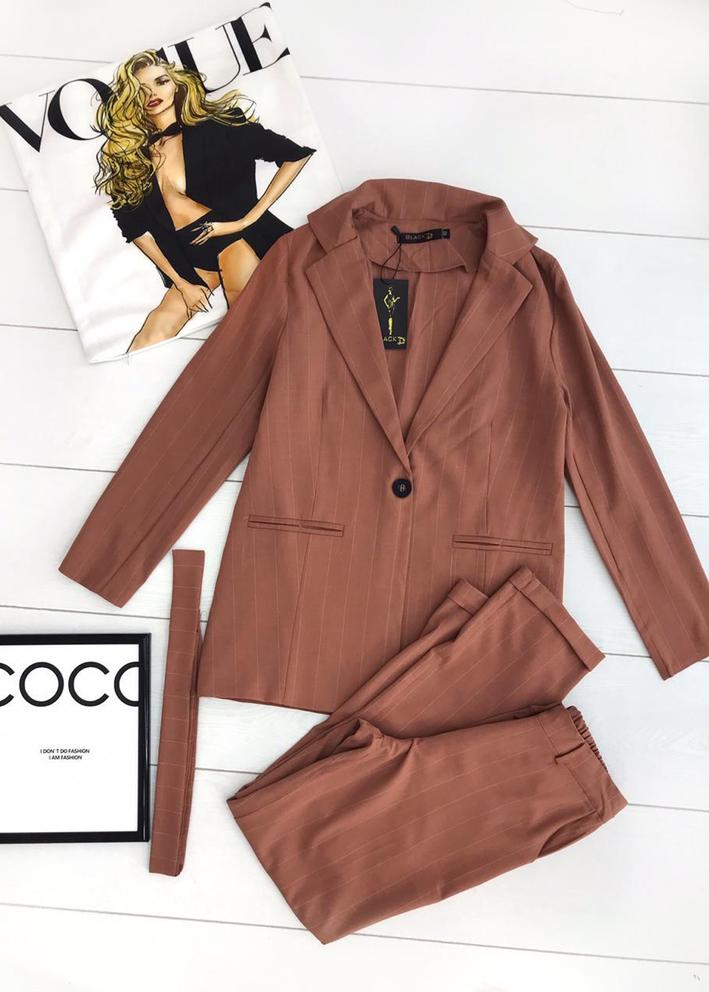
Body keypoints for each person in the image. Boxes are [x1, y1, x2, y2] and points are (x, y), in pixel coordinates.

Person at [93, 49, 315, 353]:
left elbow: (295, 155)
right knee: (152, 333)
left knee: (248, 329)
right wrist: (181, 283)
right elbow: (135, 230)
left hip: (231, 238)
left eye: (160, 82)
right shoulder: (132, 159)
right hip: (188, 254)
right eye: (140, 89)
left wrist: (246, 220)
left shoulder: (218, 128)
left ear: (176, 84)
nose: (152, 94)